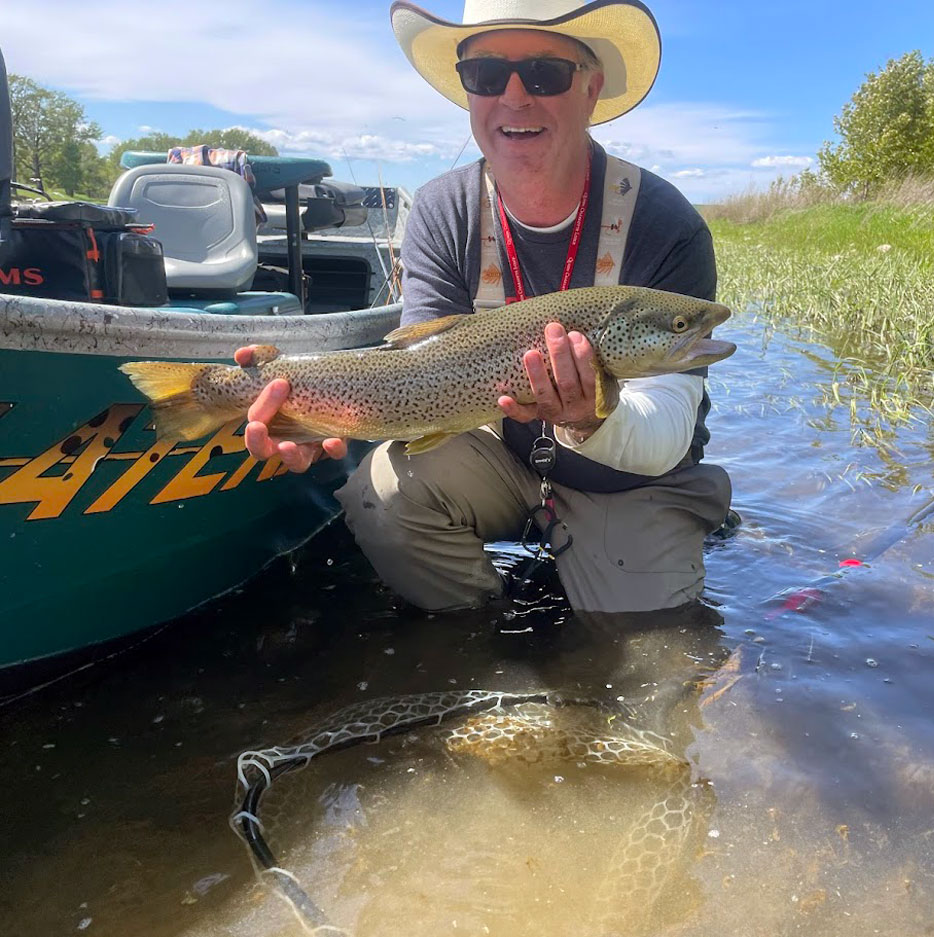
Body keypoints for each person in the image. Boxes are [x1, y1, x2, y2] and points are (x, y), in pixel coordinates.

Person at [238, 0, 731, 614]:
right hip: (502, 452)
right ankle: (489, 652)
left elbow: (666, 429)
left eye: (546, 74)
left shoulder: (666, 224)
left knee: (642, 648)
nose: (515, 98)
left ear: (591, 87)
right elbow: (416, 375)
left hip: (633, 482)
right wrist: (319, 416)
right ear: (469, 90)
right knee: (382, 494)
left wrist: (591, 417)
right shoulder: (443, 209)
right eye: (488, 75)